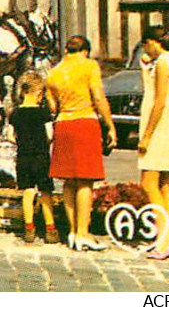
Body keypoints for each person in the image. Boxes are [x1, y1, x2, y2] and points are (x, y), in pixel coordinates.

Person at [45, 34, 116, 252]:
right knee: (85, 181)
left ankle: (73, 231)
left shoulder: (53, 73)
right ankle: (84, 233)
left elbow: (52, 106)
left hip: (64, 124)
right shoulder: (89, 66)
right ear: (85, 50)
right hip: (85, 121)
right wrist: (110, 125)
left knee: (68, 181)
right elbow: (98, 96)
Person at [136, 25, 169, 260]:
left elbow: (158, 102)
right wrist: (145, 69)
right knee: (164, 184)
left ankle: (162, 239)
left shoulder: (164, 64)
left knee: (149, 183)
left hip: (160, 130)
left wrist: (146, 136)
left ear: (151, 43)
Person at [10, 70, 60, 245]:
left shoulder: (15, 113)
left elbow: (10, 136)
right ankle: (50, 228)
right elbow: (49, 134)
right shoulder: (43, 112)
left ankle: (29, 227)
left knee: (28, 191)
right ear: (39, 93)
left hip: (23, 157)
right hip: (41, 156)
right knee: (45, 192)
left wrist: (22, 142)